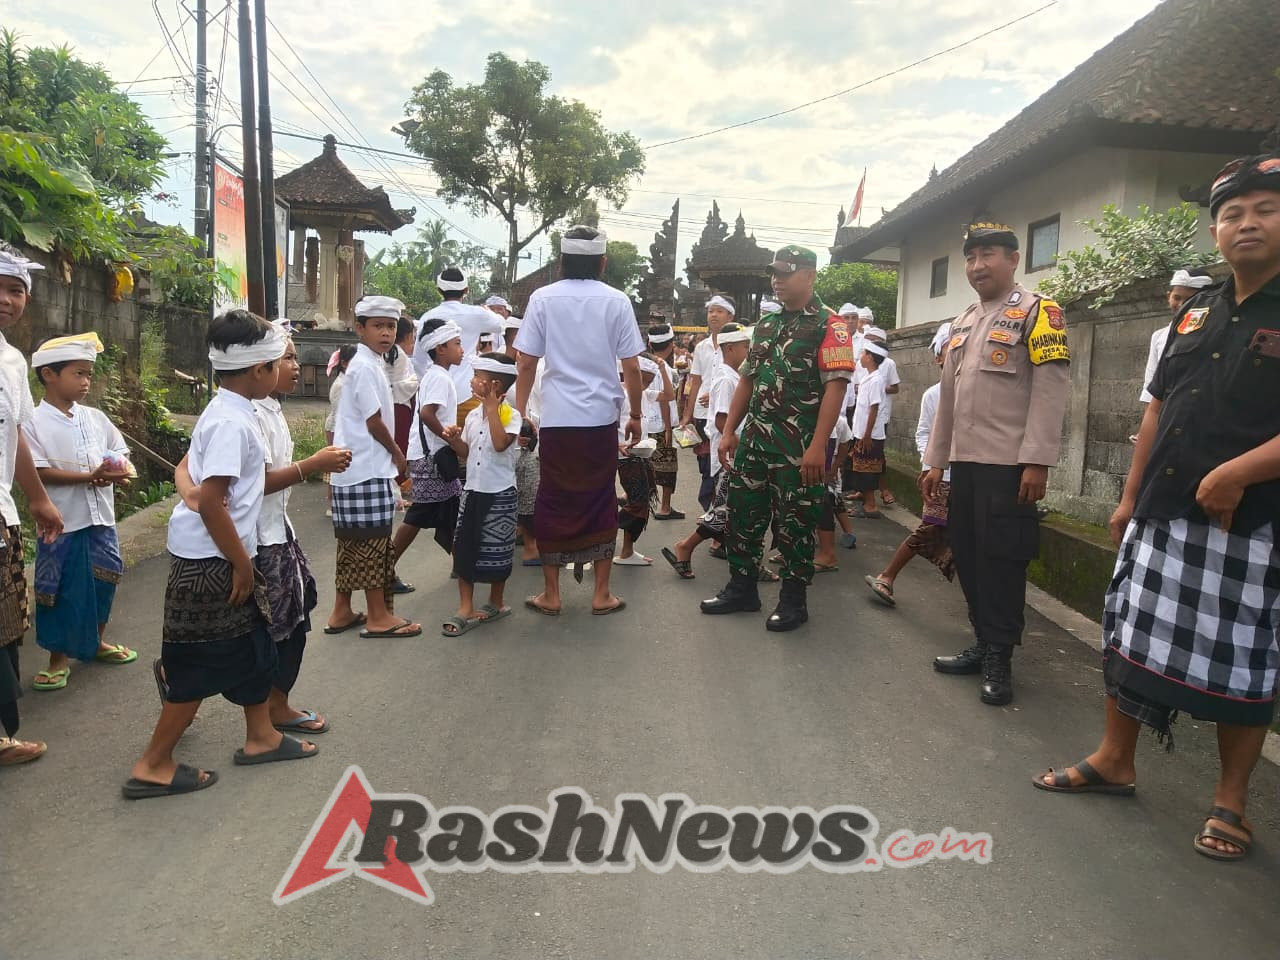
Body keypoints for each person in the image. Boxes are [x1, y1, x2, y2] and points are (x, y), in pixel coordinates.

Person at [1034, 155, 1280, 863]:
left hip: (1252, 524)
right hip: (1164, 511)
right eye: (1232, 213)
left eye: (1265, 208)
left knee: (1244, 661)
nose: (1247, 223)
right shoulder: (1196, 311)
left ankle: (1232, 801)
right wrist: (1130, 495)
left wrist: (1241, 472)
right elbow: (1158, 409)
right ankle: (1116, 758)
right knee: (1131, 637)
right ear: (1214, 231)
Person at [123, 311, 317, 800]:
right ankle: (154, 763)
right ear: (258, 371)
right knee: (196, 667)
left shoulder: (229, 410)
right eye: (275, 363)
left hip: (220, 552)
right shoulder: (233, 421)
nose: (279, 371)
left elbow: (189, 473)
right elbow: (210, 499)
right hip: (212, 562)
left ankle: (262, 736)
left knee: (254, 649)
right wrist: (241, 562)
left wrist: (192, 497)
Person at [923, 223, 1071, 705]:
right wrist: (935, 459)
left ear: (1013, 258)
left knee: (1003, 563)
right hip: (964, 465)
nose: (977, 265)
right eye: (970, 258)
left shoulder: (1039, 312)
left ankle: (1000, 659)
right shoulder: (963, 321)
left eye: (988, 254)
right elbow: (947, 397)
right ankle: (983, 641)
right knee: (965, 555)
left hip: (1008, 468)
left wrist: (1037, 462)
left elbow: (1051, 391)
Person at [700, 245, 855, 631]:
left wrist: (819, 445)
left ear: (810, 275)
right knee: (744, 515)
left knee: (795, 524)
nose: (777, 280)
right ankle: (742, 588)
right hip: (755, 440)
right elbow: (748, 379)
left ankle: (793, 600)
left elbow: (835, 388)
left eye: (786, 273)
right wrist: (730, 430)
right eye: (774, 273)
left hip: (799, 445)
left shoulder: (830, 326)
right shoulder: (767, 326)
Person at [514, 226, 645, 616]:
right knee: (600, 496)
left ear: (560, 262)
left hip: (556, 418)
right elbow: (633, 367)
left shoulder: (542, 298)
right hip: (601, 418)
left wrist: (520, 412)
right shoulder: (617, 301)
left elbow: (525, 362)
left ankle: (551, 595)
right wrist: (635, 414)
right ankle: (601, 594)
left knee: (553, 497)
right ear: (603, 263)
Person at [24, 333, 135, 693]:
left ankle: (96, 642)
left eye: (89, 374)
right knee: (57, 587)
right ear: (48, 375)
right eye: (78, 374)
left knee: (105, 578)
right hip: (61, 520)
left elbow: (119, 452)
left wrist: (120, 474)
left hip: (101, 517)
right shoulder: (32, 422)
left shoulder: (96, 417)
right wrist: (90, 477)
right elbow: (38, 470)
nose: (86, 382)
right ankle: (58, 658)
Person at [0, 246, 63, 766]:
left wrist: (38, 500)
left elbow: (16, 432)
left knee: (5, 625)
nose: (6, 299)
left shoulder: (12, 360)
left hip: (2, 514)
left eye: (16, 289)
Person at [326, 296, 421, 640]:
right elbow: (374, 422)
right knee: (373, 544)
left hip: (353, 469)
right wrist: (398, 455)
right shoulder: (366, 366)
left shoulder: (370, 363)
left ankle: (341, 611)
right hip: (366, 467)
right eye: (378, 326)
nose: (385, 333)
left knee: (352, 544)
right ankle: (378, 616)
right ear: (360, 328)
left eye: (391, 326)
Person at [865, 322, 956, 607]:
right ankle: (887, 576)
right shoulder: (933, 395)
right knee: (929, 529)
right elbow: (923, 433)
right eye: (950, 349)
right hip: (942, 477)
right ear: (939, 357)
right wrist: (930, 466)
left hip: (977, 478)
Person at [661, 323, 753, 580]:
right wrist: (736, 446)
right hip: (732, 455)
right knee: (724, 511)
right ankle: (686, 545)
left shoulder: (735, 376)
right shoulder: (725, 379)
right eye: (746, 347)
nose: (749, 351)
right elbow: (724, 422)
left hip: (737, 452)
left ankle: (746, 561)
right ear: (731, 348)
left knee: (737, 512)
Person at [441, 352, 521, 635]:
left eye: (478, 377)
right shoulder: (473, 415)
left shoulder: (510, 414)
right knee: (464, 545)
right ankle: (465, 606)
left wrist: (492, 410)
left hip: (499, 492)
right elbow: (466, 451)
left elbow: (500, 444)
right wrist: (453, 441)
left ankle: (495, 602)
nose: (473, 381)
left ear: (495, 385)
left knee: (497, 549)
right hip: (473, 490)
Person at [393, 318, 464, 567]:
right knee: (420, 514)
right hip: (432, 456)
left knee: (451, 509)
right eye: (457, 343)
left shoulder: (437, 375)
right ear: (440, 348)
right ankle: (385, 567)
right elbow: (426, 413)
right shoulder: (439, 378)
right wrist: (449, 436)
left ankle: (462, 565)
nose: (462, 348)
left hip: (429, 454)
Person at [416, 268, 503, 426]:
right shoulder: (476, 314)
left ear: (439, 290)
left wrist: (427, 385)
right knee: (469, 447)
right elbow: (500, 324)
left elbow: (419, 361)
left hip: (435, 398)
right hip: (468, 394)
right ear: (466, 290)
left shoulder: (427, 317)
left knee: (437, 445)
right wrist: (488, 311)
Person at [1134, 268, 1216, 419]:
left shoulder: (1216, 333)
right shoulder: (1159, 336)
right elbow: (1150, 386)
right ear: (1168, 296)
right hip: (1166, 417)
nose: (1182, 305)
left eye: (1191, 300)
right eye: (1176, 298)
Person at [680, 295, 735, 510]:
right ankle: (710, 510)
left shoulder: (736, 345)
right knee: (705, 463)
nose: (714, 315)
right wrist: (687, 414)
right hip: (703, 414)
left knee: (724, 462)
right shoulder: (701, 347)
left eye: (719, 311)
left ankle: (719, 512)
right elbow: (696, 382)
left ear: (730, 315)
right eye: (711, 311)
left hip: (726, 414)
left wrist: (715, 395)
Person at [615, 356, 662, 566]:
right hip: (626, 455)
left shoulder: (640, 395)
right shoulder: (618, 393)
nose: (647, 385)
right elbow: (605, 422)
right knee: (638, 503)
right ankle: (602, 530)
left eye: (651, 382)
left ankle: (627, 550)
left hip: (641, 452)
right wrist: (616, 445)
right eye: (646, 380)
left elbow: (668, 395)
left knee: (646, 497)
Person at [847, 342, 890, 520]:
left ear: (870, 357)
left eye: (864, 353)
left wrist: (866, 435)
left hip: (869, 434)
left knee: (867, 468)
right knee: (859, 466)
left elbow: (874, 408)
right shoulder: (869, 377)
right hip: (862, 431)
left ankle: (870, 506)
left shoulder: (877, 379)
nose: (861, 356)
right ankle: (863, 496)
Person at [646, 323, 684, 520]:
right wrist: (669, 429)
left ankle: (639, 500)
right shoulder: (664, 369)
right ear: (670, 345)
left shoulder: (642, 363)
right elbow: (664, 401)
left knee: (646, 463)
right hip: (661, 423)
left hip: (646, 422)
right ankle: (665, 507)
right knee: (667, 465)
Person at [862, 324, 901, 506]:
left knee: (876, 456)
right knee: (860, 456)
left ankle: (883, 491)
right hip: (862, 414)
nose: (869, 344)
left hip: (878, 416)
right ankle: (862, 493)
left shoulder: (888, 364)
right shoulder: (861, 361)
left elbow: (895, 387)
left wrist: (877, 389)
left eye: (873, 341)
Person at [812, 411, 857, 572]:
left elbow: (838, 443)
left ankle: (828, 552)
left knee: (825, 501)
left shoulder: (834, 420)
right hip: (819, 466)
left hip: (822, 470)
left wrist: (832, 468)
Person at [323, 344, 357, 519]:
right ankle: (332, 502)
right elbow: (342, 412)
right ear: (344, 363)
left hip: (339, 427)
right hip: (336, 428)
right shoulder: (341, 385)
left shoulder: (348, 381)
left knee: (341, 464)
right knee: (335, 465)